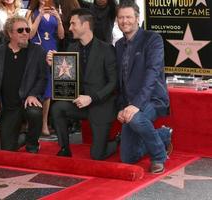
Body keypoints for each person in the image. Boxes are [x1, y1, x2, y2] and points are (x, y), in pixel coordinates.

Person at [47, 8, 119, 160]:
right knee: (58, 108)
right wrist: (55, 65)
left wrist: (92, 97)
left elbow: (114, 83)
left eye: (73, 24)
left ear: (86, 25)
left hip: (101, 105)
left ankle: (119, 140)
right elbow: (68, 81)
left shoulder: (106, 49)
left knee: (97, 156)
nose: (69, 28)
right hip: (80, 105)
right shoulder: (71, 48)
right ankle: (64, 148)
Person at [115, 1, 172, 174]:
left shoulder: (152, 39)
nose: (125, 21)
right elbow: (121, 81)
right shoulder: (118, 45)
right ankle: (163, 135)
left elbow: (152, 74)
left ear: (137, 18)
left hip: (153, 98)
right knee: (127, 157)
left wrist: (136, 105)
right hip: (130, 102)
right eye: (121, 17)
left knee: (136, 118)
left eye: (128, 17)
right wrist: (121, 108)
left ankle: (159, 156)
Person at [0, 16, 48, 153]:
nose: (25, 33)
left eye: (27, 30)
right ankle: (25, 137)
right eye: (20, 30)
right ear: (10, 33)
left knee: (35, 112)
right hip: (8, 107)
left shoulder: (37, 51)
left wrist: (33, 94)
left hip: (27, 102)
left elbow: (43, 77)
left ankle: (32, 144)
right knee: (7, 150)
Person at [26, 0, 64, 138]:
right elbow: (30, 35)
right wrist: (40, 16)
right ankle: (32, 123)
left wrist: (59, 19)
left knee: (49, 87)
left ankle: (44, 124)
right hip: (37, 49)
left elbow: (61, 35)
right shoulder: (31, 12)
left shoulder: (55, 11)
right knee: (36, 84)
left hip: (52, 49)